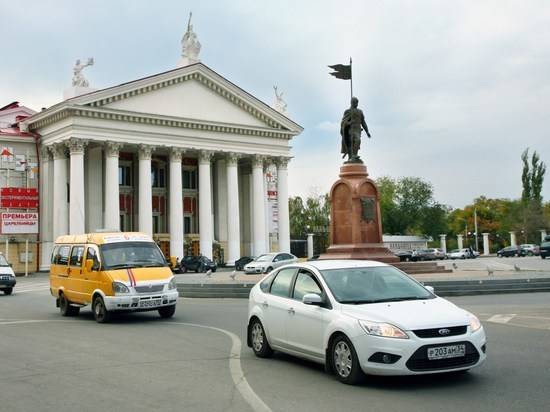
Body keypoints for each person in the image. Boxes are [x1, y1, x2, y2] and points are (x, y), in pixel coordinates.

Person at [340, 97, 371, 162]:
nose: (356, 104)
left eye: (357, 103)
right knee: (351, 142)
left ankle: (354, 155)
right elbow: (343, 122)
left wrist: (367, 131)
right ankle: (351, 156)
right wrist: (349, 123)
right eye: (355, 102)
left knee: (358, 141)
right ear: (351, 102)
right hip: (350, 130)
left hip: (358, 130)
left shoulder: (360, 111)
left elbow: (363, 122)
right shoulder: (347, 111)